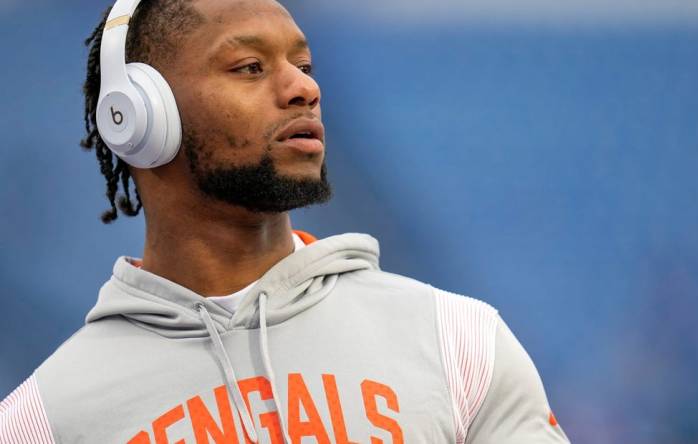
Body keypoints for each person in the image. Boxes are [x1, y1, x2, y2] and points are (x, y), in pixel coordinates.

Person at [0, 0, 570, 442]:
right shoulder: (45, 421)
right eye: (249, 67)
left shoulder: (461, 343)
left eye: (303, 65)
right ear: (137, 119)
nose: (304, 88)